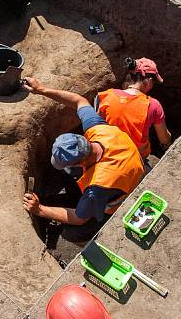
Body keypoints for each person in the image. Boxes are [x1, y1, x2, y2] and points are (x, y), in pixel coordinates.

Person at [22, 77, 145, 227]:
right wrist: (42, 90)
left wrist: (39, 209)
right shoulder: (98, 130)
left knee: (72, 234)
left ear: (81, 162)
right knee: (68, 174)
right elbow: (79, 101)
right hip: (132, 167)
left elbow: (78, 218)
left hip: (121, 200)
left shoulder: (98, 186)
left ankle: (89, 235)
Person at [96, 57, 171, 159]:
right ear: (149, 81)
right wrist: (168, 139)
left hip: (108, 154)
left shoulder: (107, 95)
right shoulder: (153, 105)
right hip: (135, 159)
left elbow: (97, 127)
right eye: (153, 82)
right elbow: (164, 139)